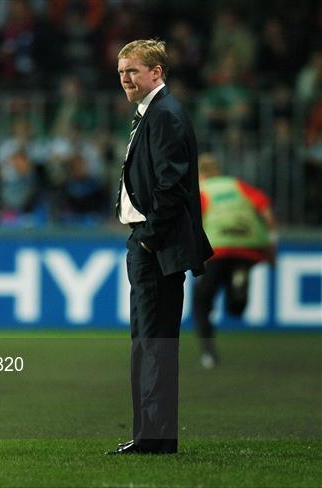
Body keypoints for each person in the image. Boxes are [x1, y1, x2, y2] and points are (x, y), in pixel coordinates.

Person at [109, 39, 213, 455]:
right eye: (121, 72)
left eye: (132, 71)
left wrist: (149, 238)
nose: (125, 79)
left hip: (157, 245)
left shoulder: (164, 114)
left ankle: (153, 438)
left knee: (152, 342)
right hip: (151, 241)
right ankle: (154, 435)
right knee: (151, 342)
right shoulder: (155, 113)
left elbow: (172, 184)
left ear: (157, 72)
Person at [194, 153, 277, 369]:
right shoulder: (237, 185)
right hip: (248, 245)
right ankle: (238, 279)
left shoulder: (201, 191)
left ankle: (208, 353)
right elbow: (265, 208)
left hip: (217, 247)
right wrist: (271, 243)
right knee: (236, 307)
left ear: (199, 174)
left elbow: (194, 221)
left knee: (202, 301)